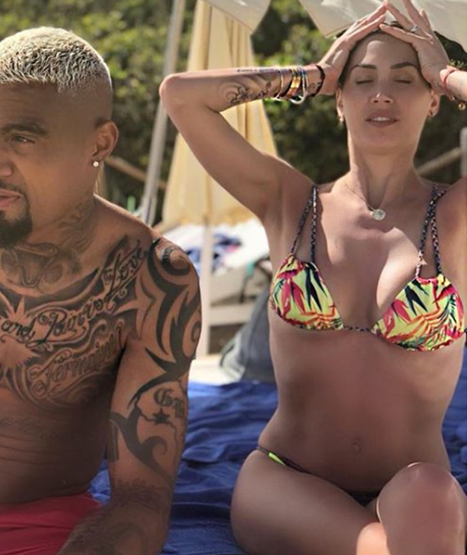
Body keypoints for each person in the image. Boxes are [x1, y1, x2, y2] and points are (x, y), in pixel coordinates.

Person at [0, 27, 201, 555]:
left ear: (100, 143)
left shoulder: (152, 279)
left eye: (21, 138)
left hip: (46, 531)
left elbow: (141, 496)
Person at [160, 0, 467, 552]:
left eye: (405, 79)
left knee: (427, 492)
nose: (381, 94)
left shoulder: (455, 217)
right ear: (339, 102)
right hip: (289, 476)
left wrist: (444, 70)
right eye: (362, 80)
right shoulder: (290, 202)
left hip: (413, 481)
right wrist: (311, 76)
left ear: (432, 101)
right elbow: (181, 96)